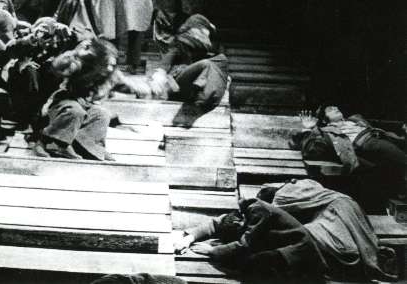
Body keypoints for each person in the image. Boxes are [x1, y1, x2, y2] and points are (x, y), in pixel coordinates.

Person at [33, 38, 161, 160]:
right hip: (62, 105)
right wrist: (75, 52)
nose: (109, 68)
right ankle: (50, 143)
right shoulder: (79, 66)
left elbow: (130, 85)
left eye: (113, 65)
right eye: (107, 64)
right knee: (76, 111)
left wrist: (150, 88)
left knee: (102, 114)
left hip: (85, 106)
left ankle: (88, 147)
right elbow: (57, 67)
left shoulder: (112, 75)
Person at [258, 179, 398, 281]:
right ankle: (368, 261)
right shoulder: (306, 182)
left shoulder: (281, 196)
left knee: (330, 242)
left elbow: (274, 214)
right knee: (363, 242)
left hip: (333, 212)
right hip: (349, 204)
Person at [174, 197, 328, 283]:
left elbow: (244, 245)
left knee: (253, 264)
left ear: (241, 221)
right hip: (283, 246)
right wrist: (189, 238)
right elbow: (214, 225)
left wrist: (212, 251)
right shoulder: (241, 214)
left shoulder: (258, 211)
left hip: (299, 251)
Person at [291, 105, 406, 197]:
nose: (335, 108)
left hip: (381, 139)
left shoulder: (355, 120)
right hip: (368, 143)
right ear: (325, 120)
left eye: (335, 107)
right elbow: (311, 150)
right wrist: (310, 128)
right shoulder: (326, 132)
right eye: (330, 109)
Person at [0, 17, 79, 132]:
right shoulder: (27, 35)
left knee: (53, 79)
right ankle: (24, 117)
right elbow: (10, 49)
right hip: (21, 72)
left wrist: (69, 34)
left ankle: (36, 119)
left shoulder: (59, 38)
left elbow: (70, 47)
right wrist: (32, 39)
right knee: (30, 76)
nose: (48, 40)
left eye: (49, 35)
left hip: (44, 71)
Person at [149, 14, 228, 111]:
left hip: (192, 88)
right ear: (193, 29)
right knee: (206, 64)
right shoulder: (179, 43)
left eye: (206, 33)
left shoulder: (204, 51)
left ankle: (205, 96)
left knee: (221, 59)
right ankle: (201, 97)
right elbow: (166, 62)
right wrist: (159, 77)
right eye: (202, 31)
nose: (205, 35)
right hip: (176, 86)